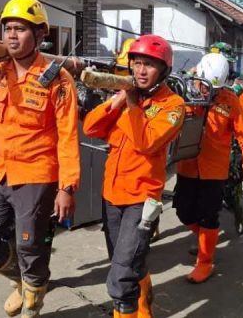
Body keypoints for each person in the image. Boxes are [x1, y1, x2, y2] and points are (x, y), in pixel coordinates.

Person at [0, 0, 80, 317]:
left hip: (37, 176)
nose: (12, 35)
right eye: (8, 28)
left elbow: (68, 136)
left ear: (40, 36)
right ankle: (24, 281)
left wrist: (67, 188)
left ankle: (33, 302)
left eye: (21, 29)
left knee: (31, 247)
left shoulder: (58, 79)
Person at [83, 35, 185, 318]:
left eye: (149, 65)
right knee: (123, 260)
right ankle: (144, 298)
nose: (141, 71)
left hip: (142, 199)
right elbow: (91, 128)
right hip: (112, 194)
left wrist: (131, 104)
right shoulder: (126, 99)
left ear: (162, 70)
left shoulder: (172, 105)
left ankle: (126, 309)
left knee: (120, 278)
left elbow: (145, 143)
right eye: (137, 63)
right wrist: (115, 102)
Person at [175, 52, 243, 283]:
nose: (207, 93)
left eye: (212, 89)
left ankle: (205, 261)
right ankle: (205, 240)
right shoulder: (182, 93)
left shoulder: (229, 100)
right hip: (187, 165)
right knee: (183, 212)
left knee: (209, 216)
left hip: (215, 169)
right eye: (204, 87)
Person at [208, 42, 243, 235]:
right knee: (209, 190)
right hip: (208, 137)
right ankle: (207, 234)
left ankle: (239, 213)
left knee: (232, 184)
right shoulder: (201, 73)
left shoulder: (237, 81)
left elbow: (229, 93)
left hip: (232, 138)